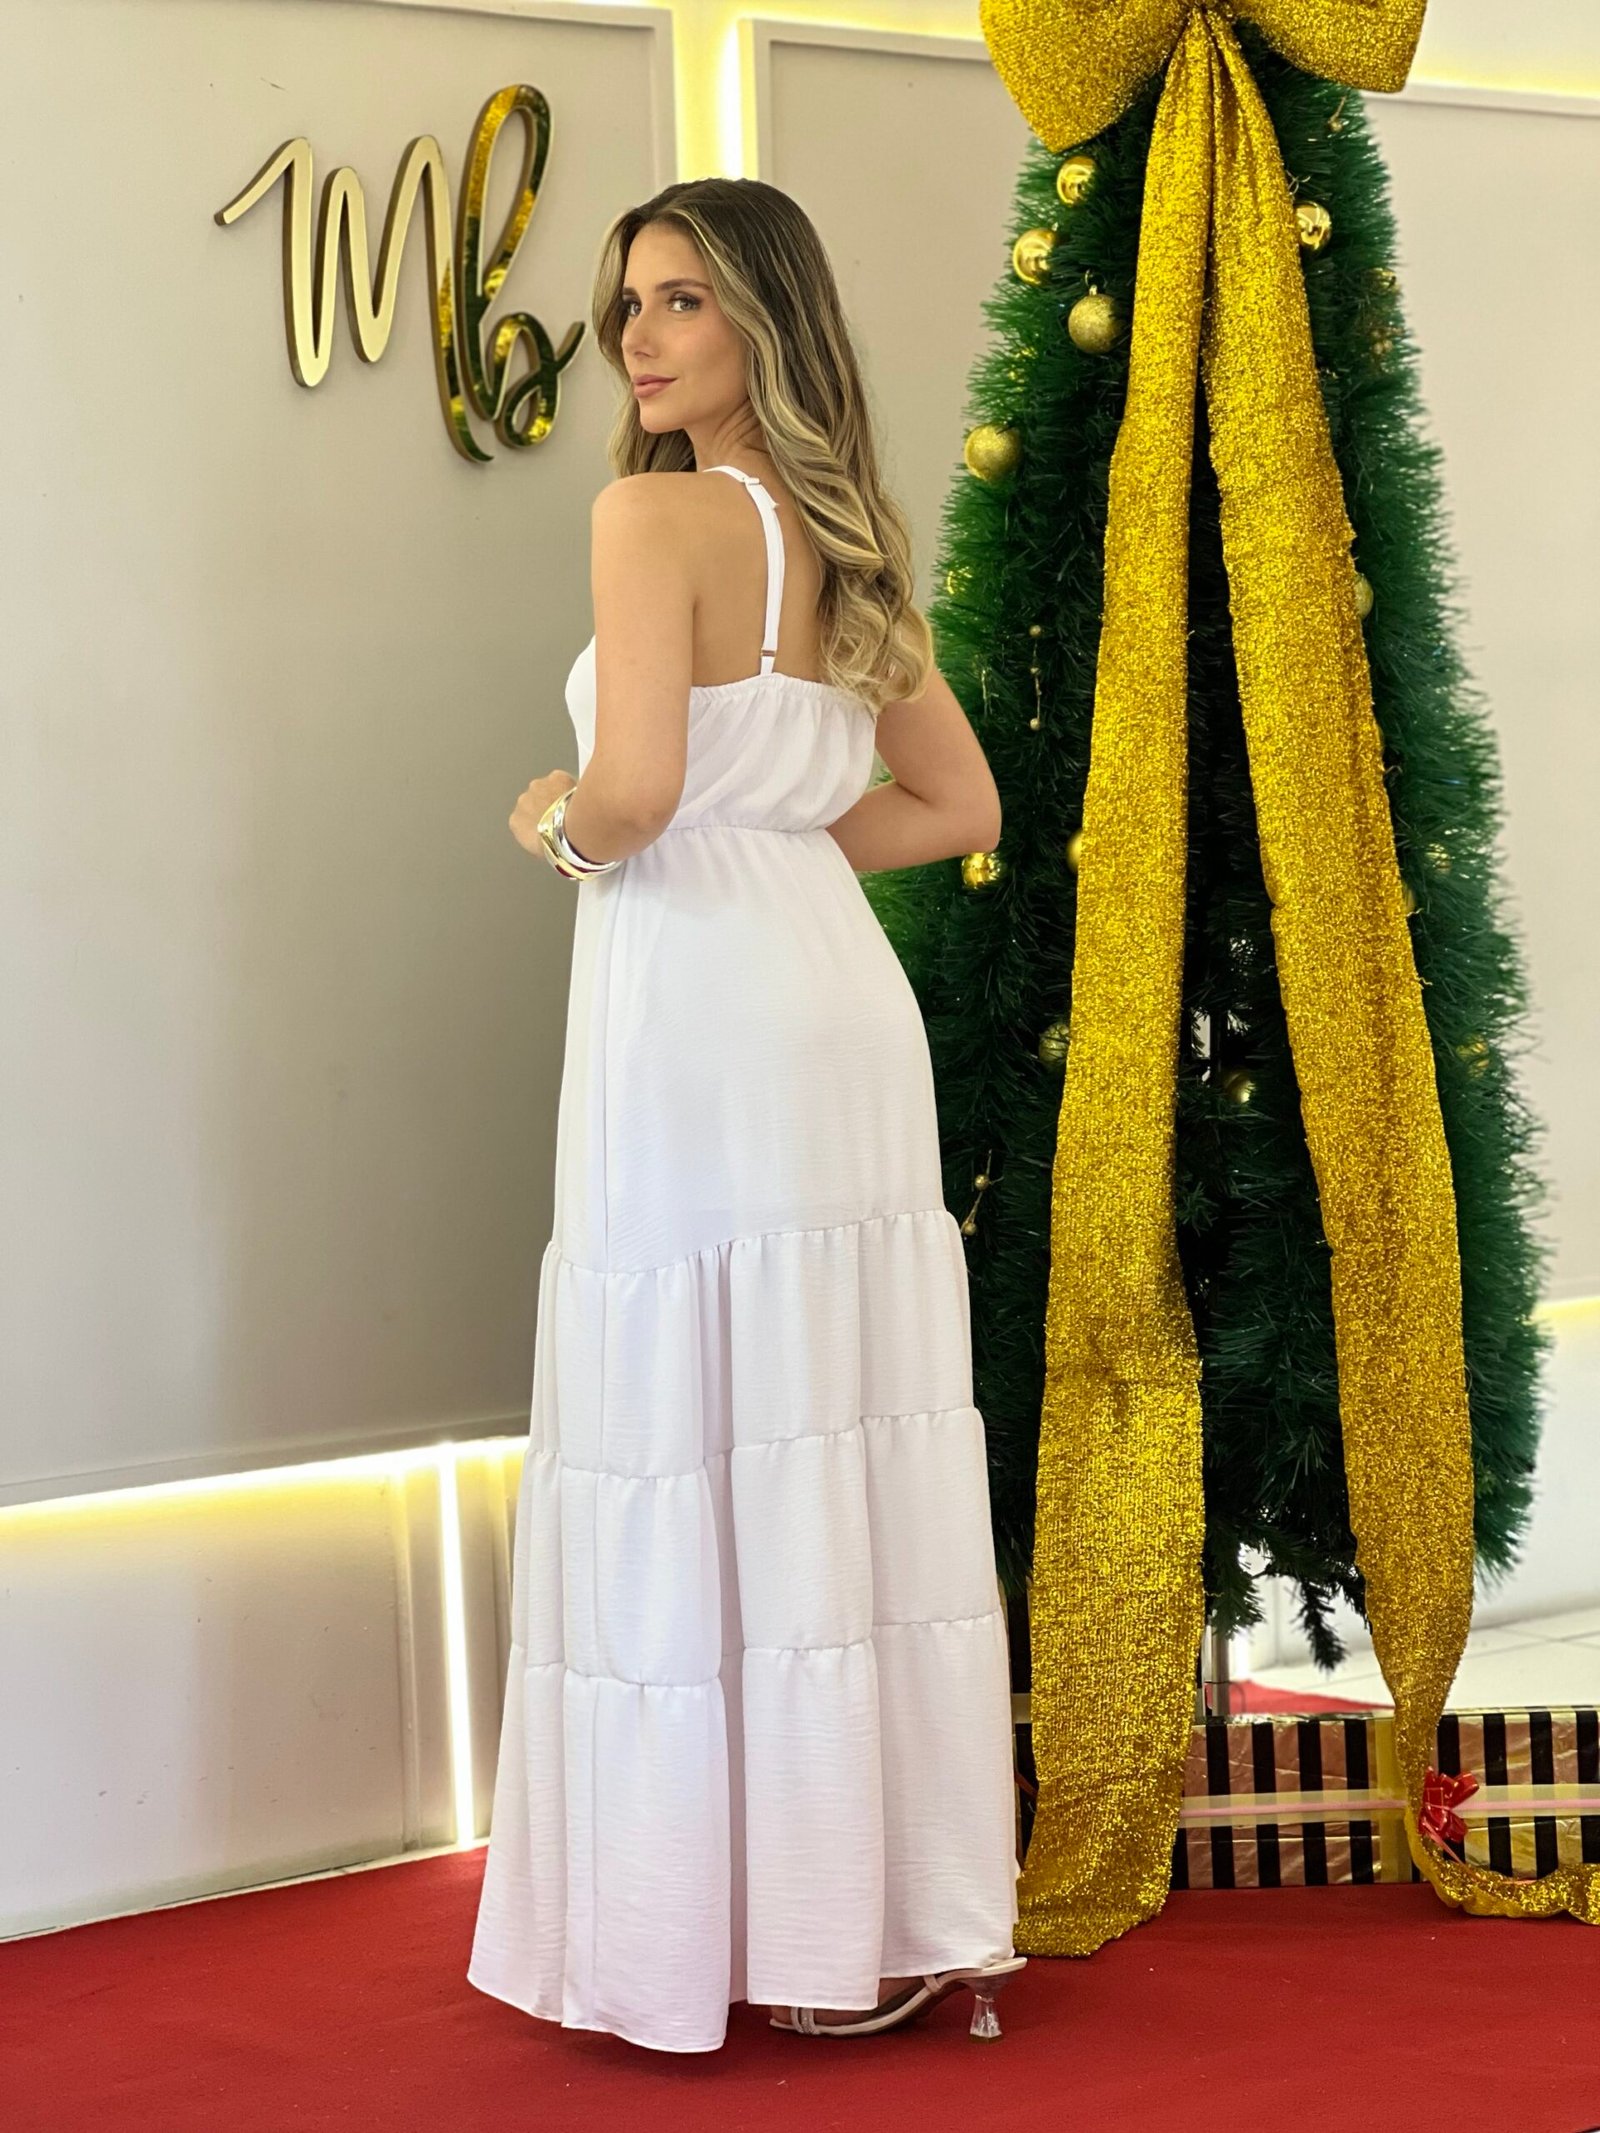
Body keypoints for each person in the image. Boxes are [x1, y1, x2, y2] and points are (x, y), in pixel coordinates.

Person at [467, 176, 1024, 2055]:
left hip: (692, 1013)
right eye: (629, 299)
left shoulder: (650, 514)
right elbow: (957, 808)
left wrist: (556, 823)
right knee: (825, 1421)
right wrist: (775, 835)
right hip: (835, 1012)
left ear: (765, 321)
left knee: (690, 1418)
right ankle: (864, 1914)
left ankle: (699, 1930)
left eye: (684, 299)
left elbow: (629, 790)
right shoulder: (845, 535)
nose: (639, 334)